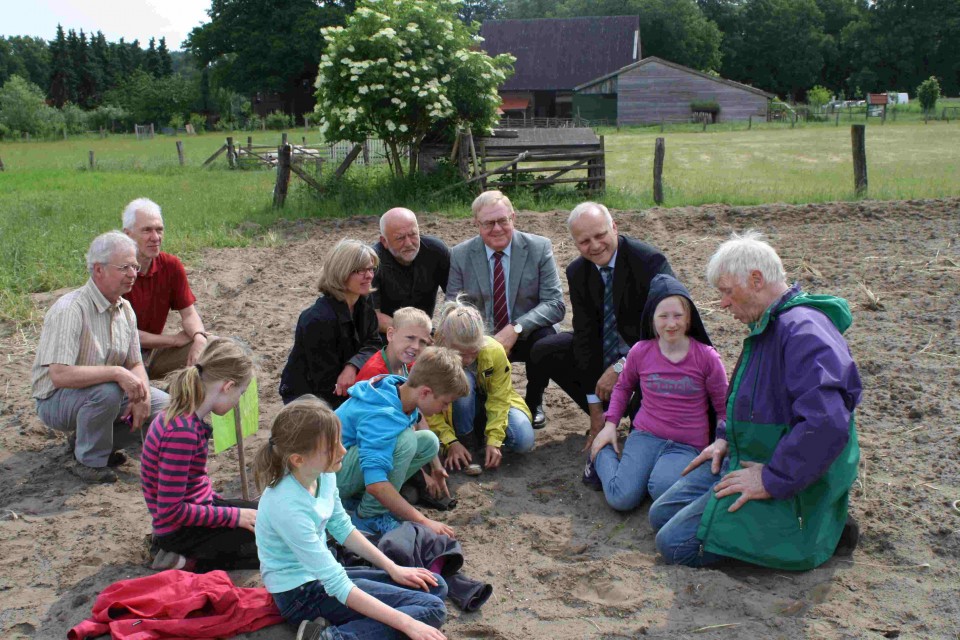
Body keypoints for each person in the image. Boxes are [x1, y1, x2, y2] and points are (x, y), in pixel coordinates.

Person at [649, 230, 861, 570]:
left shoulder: (804, 332)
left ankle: (826, 528)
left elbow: (827, 423)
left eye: (727, 292)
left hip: (784, 473)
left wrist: (771, 478)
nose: (722, 303)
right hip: (752, 454)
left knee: (674, 545)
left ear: (757, 279)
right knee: (661, 514)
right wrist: (725, 440)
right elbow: (751, 400)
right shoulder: (768, 326)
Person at [255, 396, 449, 640]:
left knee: (434, 586)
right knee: (430, 609)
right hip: (300, 594)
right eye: (331, 447)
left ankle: (338, 628)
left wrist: (393, 568)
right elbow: (336, 584)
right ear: (298, 459)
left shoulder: (322, 473)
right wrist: (408, 623)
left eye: (339, 440)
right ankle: (330, 637)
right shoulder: (286, 506)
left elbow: (341, 526)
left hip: (323, 575)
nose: (343, 450)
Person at [529, 202, 674, 474]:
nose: (594, 246)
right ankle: (603, 415)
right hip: (606, 359)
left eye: (600, 235)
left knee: (645, 416)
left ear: (614, 228)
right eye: (584, 241)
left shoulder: (649, 262)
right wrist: (595, 412)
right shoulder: (578, 272)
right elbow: (585, 339)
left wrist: (621, 367)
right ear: (574, 243)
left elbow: (669, 332)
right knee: (547, 348)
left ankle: (639, 421)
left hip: (649, 359)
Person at [32, 231, 169, 484]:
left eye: (135, 266)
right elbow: (59, 375)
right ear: (98, 270)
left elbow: (135, 362)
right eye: (124, 267)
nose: (133, 274)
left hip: (102, 394)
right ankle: (88, 461)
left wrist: (143, 394)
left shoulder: (125, 309)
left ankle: (88, 441)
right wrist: (117, 374)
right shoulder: (70, 310)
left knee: (166, 407)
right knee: (107, 391)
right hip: (56, 400)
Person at [587, 274, 728, 511]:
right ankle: (600, 454)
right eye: (663, 316)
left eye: (677, 316)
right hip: (646, 435)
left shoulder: (707, 357)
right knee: (621, 498)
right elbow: (623, 387)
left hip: (687, 443)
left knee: (661, 490)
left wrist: (722, 439)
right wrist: (610, 424)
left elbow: (724, 405)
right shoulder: (641, 351)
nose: (671, 323)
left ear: (689, 317)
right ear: (652, 319)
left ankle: (647, 472)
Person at [446, 190, 565, 429]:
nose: (497, 228)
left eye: (503, 220)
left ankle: (534, 402)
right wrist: (481, 337)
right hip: (482, 334)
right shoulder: (460, 254)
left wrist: (516, 328)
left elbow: (555, 304)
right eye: (488, 223)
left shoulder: (539, 248)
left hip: (524, 332)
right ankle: (479, 400)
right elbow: (453, 305)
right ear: (476, 224)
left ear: (513, 218)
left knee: (547, 340)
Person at [140, 337, 258, 571]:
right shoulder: (182, 432)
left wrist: (229, 509)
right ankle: (181, 560)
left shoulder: (183, 417)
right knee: (270, 546)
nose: (238, 401)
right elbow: (170, 510)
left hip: (197, 513)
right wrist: (233, 517)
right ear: (227, 386)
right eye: (241, 393)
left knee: (267, 516)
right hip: (179, 531)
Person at [335, 347, 468, 536]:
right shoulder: (382, 415)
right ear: (425, 393)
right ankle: (369, 517)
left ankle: (357, 501)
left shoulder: (400, 390)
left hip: (345, 466)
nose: (445, 409)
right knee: (406, 440)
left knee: (429, 442)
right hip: (327, 478)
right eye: (445, 402)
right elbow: (376, 484)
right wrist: (424, 521)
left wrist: (436, 467)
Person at [428, 298, 535, 474]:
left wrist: (494, 440)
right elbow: (428, 411)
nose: (469, 359)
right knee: (463, 381)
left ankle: (482, 438)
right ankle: (465, 442)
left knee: (523, 440)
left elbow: (500, 397)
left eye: (474, 352)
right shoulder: (433, 359)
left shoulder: (494, 350)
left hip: (487, 405)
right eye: (462, 354)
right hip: (456, 413)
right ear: (446, 342)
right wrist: (450, 442)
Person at [279, 239, 381, 408]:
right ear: (341, 272)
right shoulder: (318, 319)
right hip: (309, 399)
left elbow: (374, 342)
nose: (369, 275)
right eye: (360, 271)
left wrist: (352, 366)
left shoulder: (362, 302)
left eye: (371, 269)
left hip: (345, 389)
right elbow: (325, 382)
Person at [121, 198, 211, 379]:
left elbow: (189, 313)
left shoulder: (170, 265)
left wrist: (199, 337)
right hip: (119, 358)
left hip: (152, 353)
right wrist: (172, 341)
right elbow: (124, 334)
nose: (155, 237)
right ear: (128, 234)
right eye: (147, 230)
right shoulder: (116, 270)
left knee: (214, 350)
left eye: (159, 229)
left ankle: (186, 402)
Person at [371, 208, 450, 340]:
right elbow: (373, 316)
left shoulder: (436, 252)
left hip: (425, 331)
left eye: (413, 235)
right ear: (384, 241)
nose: (408, 243)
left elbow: (455, 295)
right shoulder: (373, 262)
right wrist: (413, 332)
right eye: (400, 238)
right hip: (387, 335)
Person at [355, 307, 433, 382]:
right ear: (391, 334)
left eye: (422, 342)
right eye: (410, 338)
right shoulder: (374, 374)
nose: (416, 346)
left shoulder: (411, 366)